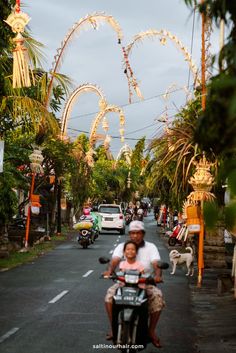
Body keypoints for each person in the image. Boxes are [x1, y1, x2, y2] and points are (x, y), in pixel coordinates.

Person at [103, 220, 165, 348]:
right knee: (109, 296)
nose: (135, 236)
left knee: (158, 297)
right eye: (132, 233)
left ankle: (151, 331)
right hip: (123, 283)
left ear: (143, 233)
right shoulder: (122, 246)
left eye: (138, 233)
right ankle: (114, 328)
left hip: (145, 282)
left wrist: (158, 276)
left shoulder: (151, 247)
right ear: (129, 234)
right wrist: (109, 271)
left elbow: (156, 263)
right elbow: (114, 261)